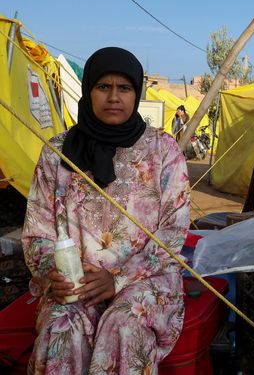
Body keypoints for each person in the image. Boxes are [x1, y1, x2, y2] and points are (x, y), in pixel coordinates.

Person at [22, 47, 191, 374]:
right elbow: (37, 233)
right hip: (75, 283)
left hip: (146, 278)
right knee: (61, 328)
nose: (114, 97)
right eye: (103, 87)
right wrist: (54, 275)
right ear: (89, 91)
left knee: (125, 325)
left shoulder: (163, 149)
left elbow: (174, 231)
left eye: (124, 88)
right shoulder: (58, 152)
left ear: (136, 94)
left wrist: (118, 278)